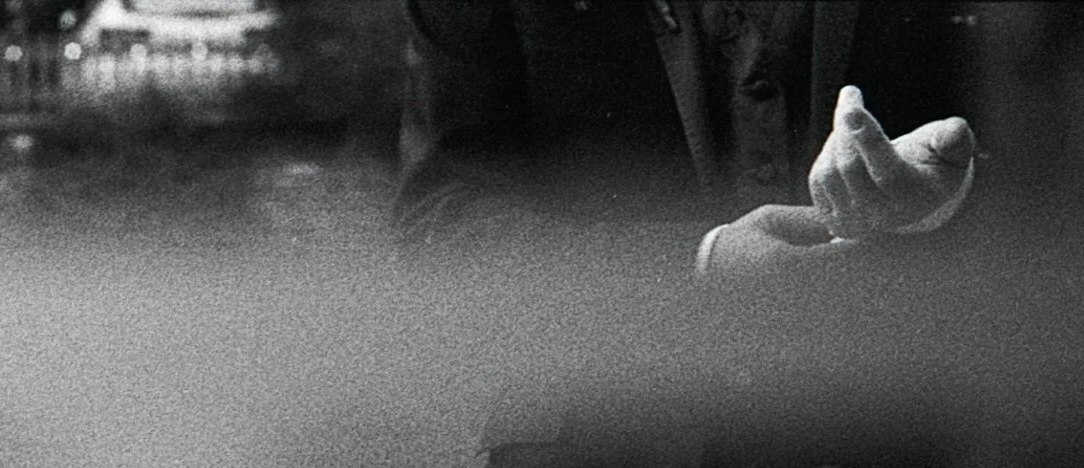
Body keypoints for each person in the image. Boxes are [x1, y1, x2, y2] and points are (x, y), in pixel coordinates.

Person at [395, 0, 985, 278]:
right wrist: (700, 265)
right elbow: (442, 224)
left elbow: (1051, 151)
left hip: (896, 453)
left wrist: (947, 189)